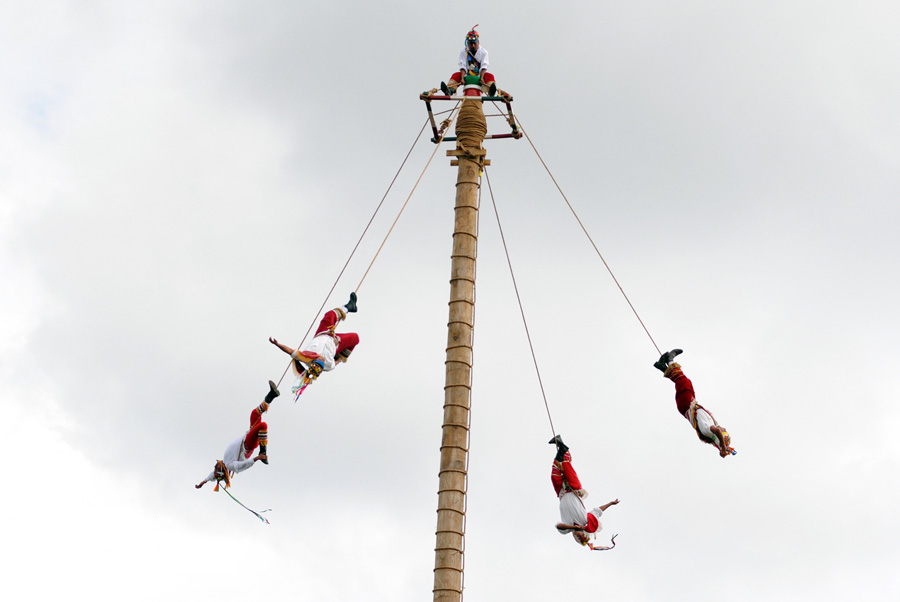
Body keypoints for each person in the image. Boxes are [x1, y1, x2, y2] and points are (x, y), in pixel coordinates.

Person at [195, 380, 280, 490]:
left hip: (247, 437)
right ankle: (263, 451)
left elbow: (212, 475)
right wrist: (258, 458)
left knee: (255, 414)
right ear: (222, 470)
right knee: (263, 425)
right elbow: (243, 466)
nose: (215, 466)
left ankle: (271, 395)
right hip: (248, 445)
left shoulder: (225, 462)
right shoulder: (230, 465)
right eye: (216, 468)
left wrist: (203, 482)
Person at [654, 349, 735, 457]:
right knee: (684, 382)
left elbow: (718, 431)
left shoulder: (709, 431)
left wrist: (723, 448)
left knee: (684, 381)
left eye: (724, 431)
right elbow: (718, 429)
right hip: (690, 404)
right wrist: (724, 448)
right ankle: (662, 367)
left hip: (687, 404)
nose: (724, 428)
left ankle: (670, 361)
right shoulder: (712, 428)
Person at [548, 435, 619, 547]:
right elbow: (598, 511)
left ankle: (561, 445)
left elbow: (558, 526)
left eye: (577, 538)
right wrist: (611, 503)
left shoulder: (566, 527)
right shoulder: (585, 521)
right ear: (584, 533)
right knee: (566, 466)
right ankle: (564, 449)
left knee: (554, 473)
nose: (578, 536)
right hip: (574, 489)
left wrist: (572, 527)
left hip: (561, 492)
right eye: (581, 536)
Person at [268, 292, 359, 380]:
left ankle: (348, 307)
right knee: (355, 338)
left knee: (330, 315)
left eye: (319, 359)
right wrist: (340, 358)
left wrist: (277, 344)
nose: (322, 358)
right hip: (335, 342)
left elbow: (289, 351)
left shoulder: (306, 357)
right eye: (322, 361)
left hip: (323, 332)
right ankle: (339, 353)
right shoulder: (329, 365)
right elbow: (335, 364)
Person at [440, 25, 502, 97]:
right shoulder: (464, 52)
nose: (473, 45)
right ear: (467, 43)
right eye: (470, 43)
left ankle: (491, 91)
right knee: (456, 75)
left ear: (478, 42)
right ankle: (450, 90)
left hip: (479, 75)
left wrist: (481, 77)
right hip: (467, 74)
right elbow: (462, 66)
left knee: (490, 76)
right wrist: (462, 78)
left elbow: (484, 66)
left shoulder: (484, 52)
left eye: (474, 43)